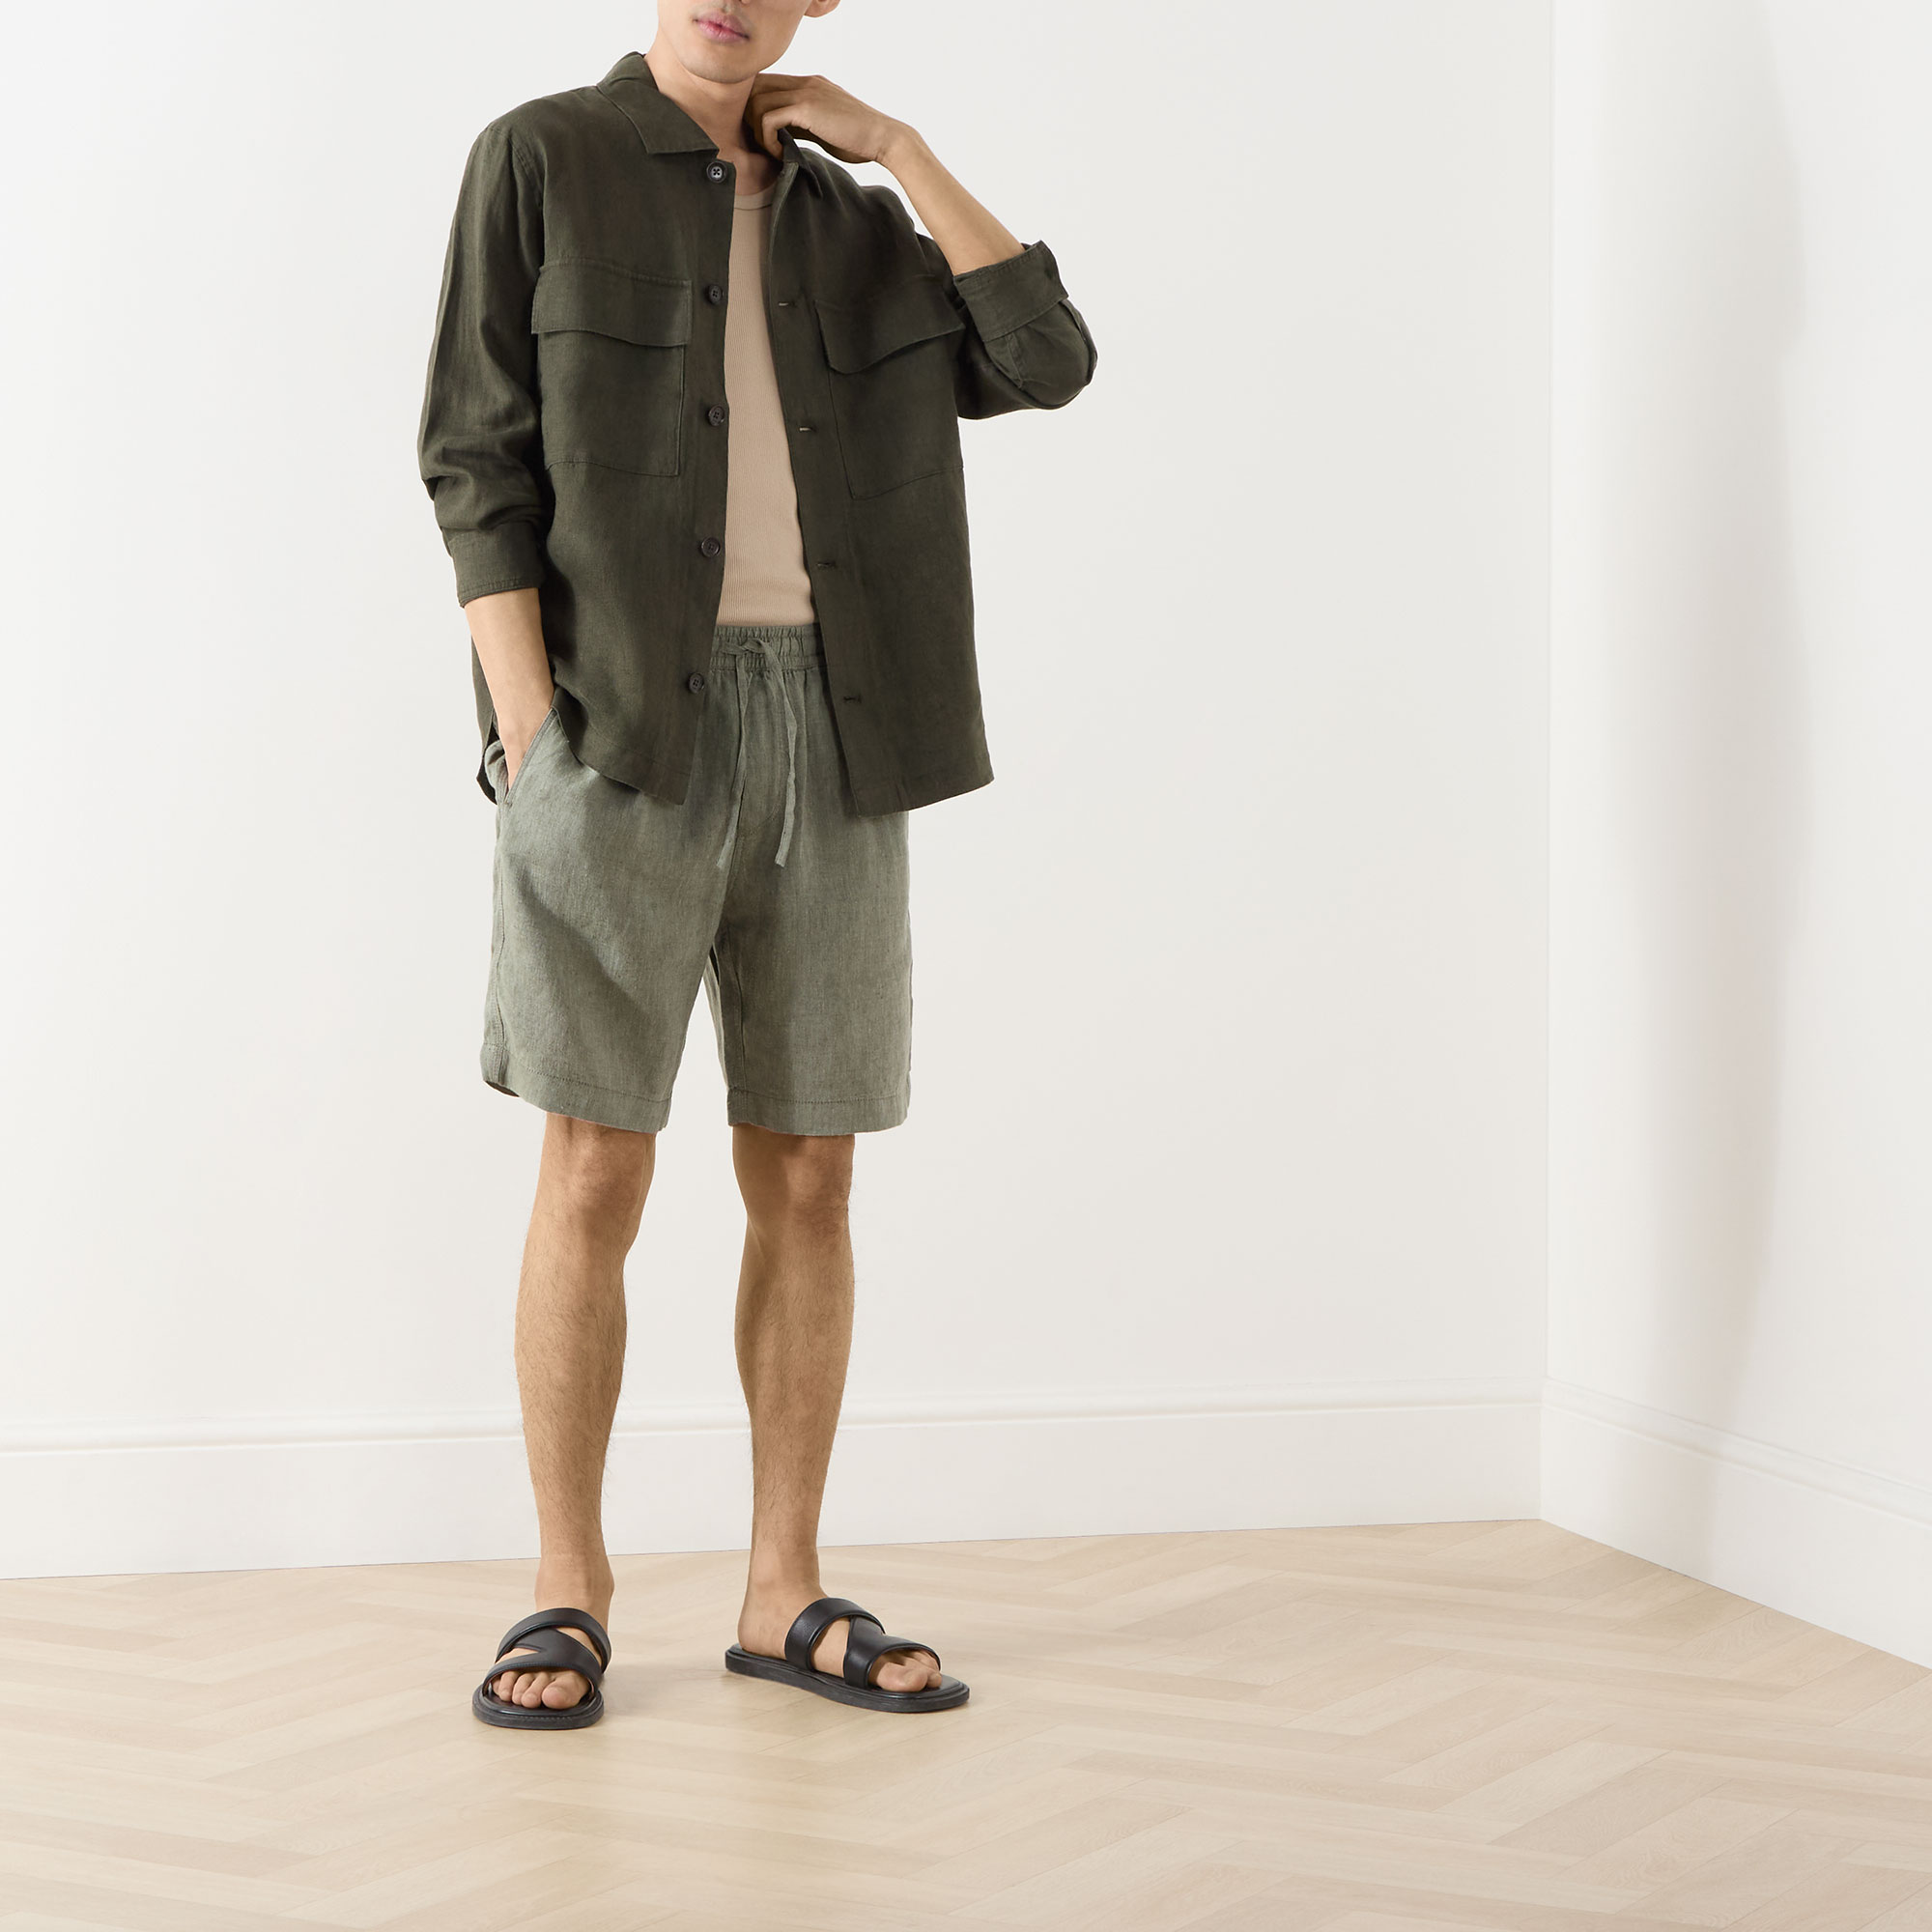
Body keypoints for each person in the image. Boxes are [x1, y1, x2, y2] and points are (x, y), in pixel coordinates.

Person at [417, 0, 1097, 1728]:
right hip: (619, 729)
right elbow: (474, 454)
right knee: (595, 1164)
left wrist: (902, 150)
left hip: (844, 728)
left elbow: (1044, 360)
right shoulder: (542, 158)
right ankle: (567, 1589)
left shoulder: (853, 217)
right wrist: (531, 735)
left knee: (809, 1173)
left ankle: (782, 1589)